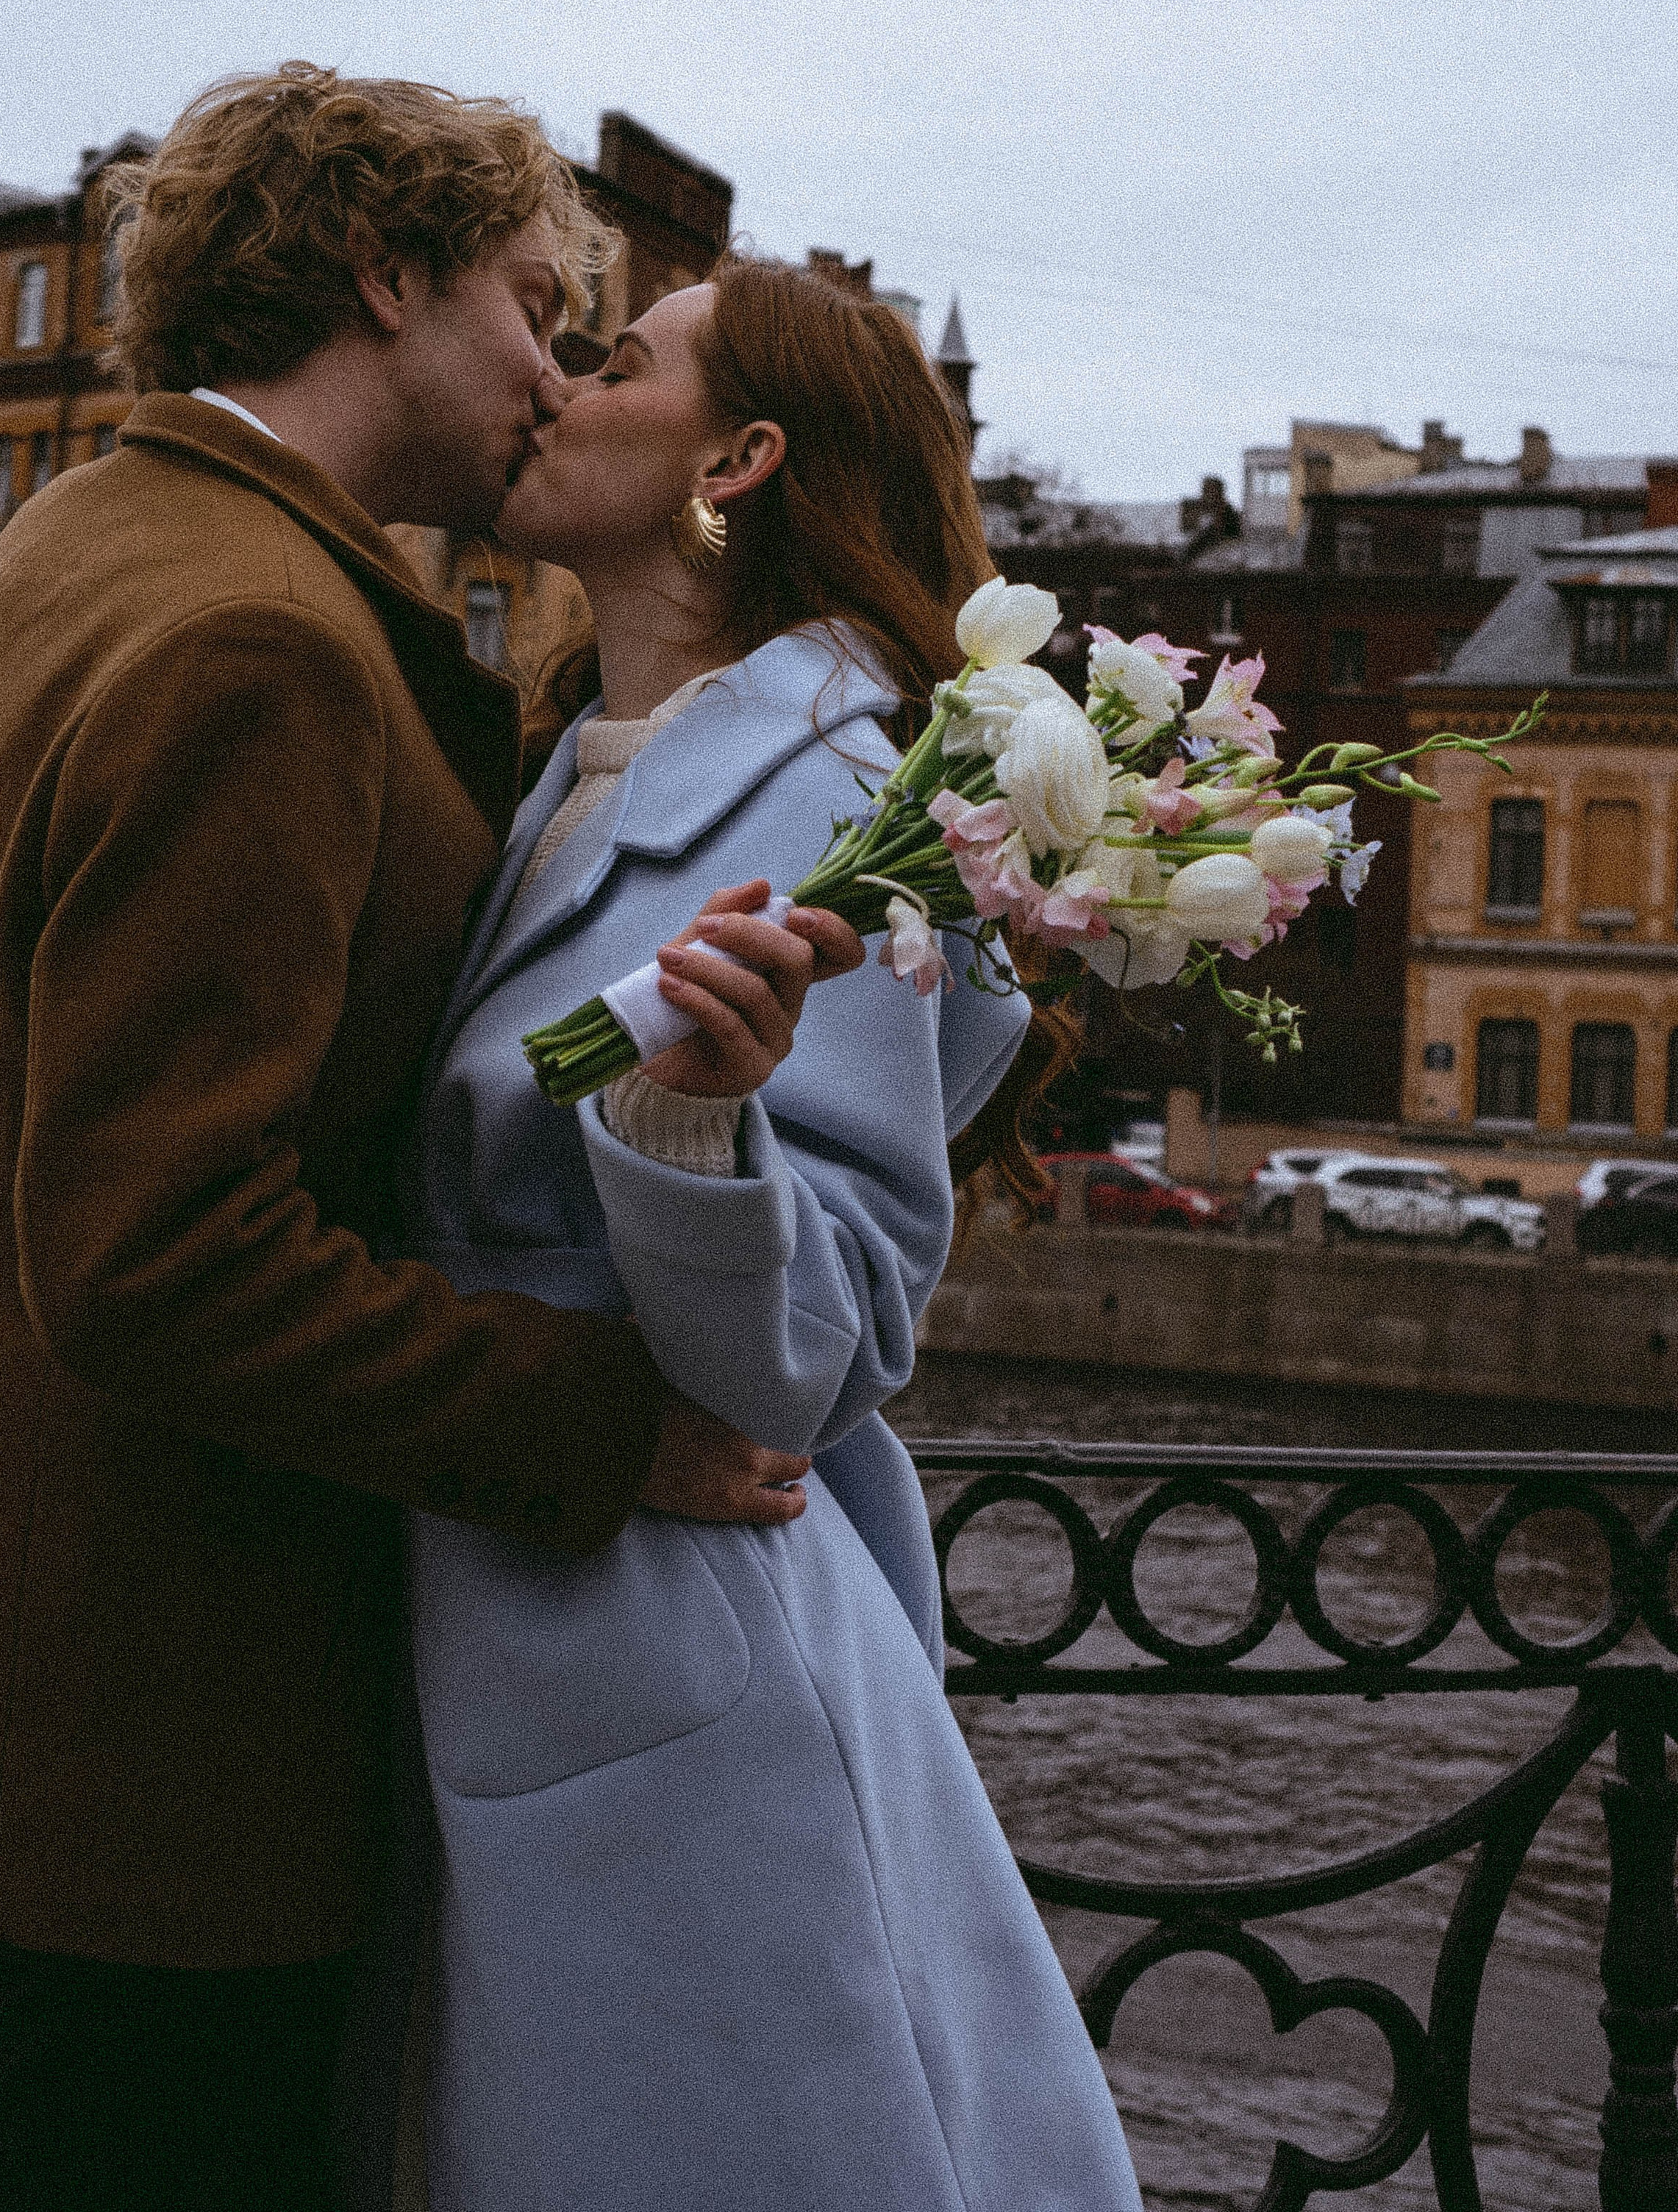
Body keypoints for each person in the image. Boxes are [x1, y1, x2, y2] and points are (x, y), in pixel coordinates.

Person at [0, 66, 847, 2212]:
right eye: (528, 302)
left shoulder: (94, 535)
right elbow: (163, 1261)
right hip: (154, 1787)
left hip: (0, 1719)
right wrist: (605, 1428)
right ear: (385, 277)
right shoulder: (259, 645)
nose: (551, 368)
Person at [383, 255, 1144, 2209]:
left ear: (734, 458)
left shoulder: (859, 773)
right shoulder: (573, 758)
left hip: (662, 1634)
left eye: (618, 357)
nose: (560, 381)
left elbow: (823, 1349)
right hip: (524, 1602)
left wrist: (685, 1123)